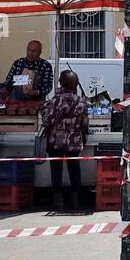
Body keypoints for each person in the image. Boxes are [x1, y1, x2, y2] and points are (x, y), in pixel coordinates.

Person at [38, 70, 90, 210]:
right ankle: (75, 200)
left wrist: (43, 111)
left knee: (56, 170)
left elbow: (47, 120)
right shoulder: (81, 102)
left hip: (55, 141)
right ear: (76, 84)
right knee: (74, 170)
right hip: (74, 141)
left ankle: (58, 200)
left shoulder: (55, 100)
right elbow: (85, 124)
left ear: (61, 83)